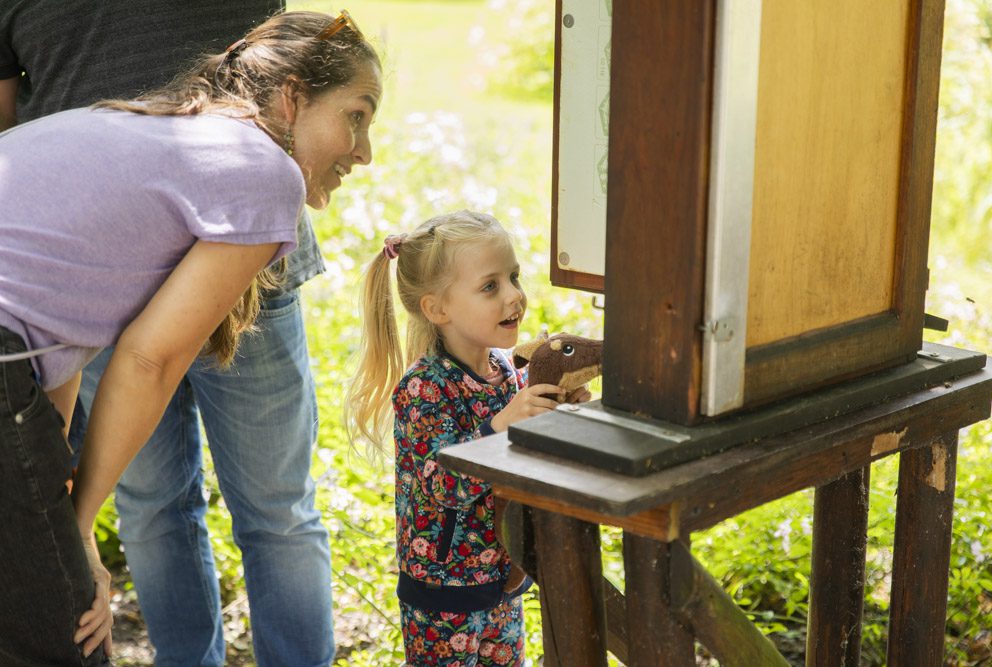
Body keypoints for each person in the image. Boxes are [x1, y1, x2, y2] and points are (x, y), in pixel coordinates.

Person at [0, 10, 381, 665]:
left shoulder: (162, 133)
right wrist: (80, 524)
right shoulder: (263, 170)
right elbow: (150, 359)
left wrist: (67, 510)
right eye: (356, 115)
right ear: (292, 98)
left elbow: (53, 344)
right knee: (69, 630)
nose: (365, 151)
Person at [347, 210, 590, 665]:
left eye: (514, 277)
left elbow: (527, 457)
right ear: (438, 309)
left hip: (506, 577)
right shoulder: (425, 388)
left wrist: (560, 414)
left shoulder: (508, 372)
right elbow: (442, 484)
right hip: (444, 592)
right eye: (490, 286)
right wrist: (500, 426)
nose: (515, 295)